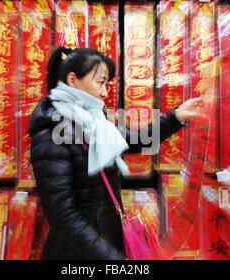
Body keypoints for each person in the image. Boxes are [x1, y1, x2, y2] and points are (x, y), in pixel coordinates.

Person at [29, 47, 204, 260]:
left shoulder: (94, 122)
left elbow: (137, 140)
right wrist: (112, 257)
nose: (104, 92)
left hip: (105, 243)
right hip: (78, 254)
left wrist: (176, 117)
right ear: (73, 80)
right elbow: (63, 217)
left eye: (106, 84)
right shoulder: (51, 133)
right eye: (100, 82)